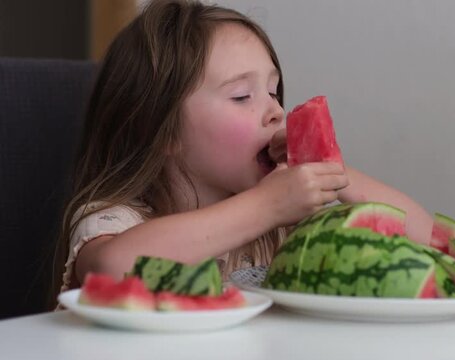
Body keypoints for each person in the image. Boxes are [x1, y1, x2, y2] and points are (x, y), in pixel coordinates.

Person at [52, 0, 434, 302]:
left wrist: (332, 171)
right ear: (161, 129)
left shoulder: (280, 228)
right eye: (241, 96)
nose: (276, 111)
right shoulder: (115, 220)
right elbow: (113, 269)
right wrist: (268, 205)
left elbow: (431, 243)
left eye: (273, 91)